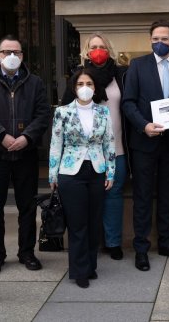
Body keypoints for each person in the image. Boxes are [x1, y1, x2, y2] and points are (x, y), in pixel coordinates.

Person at [0, 35, 51, 275]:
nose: (12, 56)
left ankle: (27, 252)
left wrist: (27, 138)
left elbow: (43, 114)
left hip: (26, 154)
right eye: (6, 52)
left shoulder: (34, 82)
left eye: (16, 52)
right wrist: (1, 135)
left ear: (23, 56)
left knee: (27, 206)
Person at [122, 19, 169, 271]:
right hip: (144, 142)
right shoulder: (137, 65)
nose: (160, 43)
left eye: (164, 39)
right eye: (155, 39)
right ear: (150, 40)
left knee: (168, 194)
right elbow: (128, 103)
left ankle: (166, 242)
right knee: (142, 196)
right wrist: (144, 126)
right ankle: (141, 248)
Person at [62, 33, 128, 260]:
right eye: (93, 47)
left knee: (114, 196)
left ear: (108, 51)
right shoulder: (79, 77)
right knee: (86, 198)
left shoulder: (121, 75)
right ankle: (90, 242)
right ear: (86, 52)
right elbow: (65, 110)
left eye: (102, 47)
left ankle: (113, 242)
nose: (97, 51)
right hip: (85, 153)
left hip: (117, 148)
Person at [49, 67, 116, 288]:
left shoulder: (103, 112)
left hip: (97, 171)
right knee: (77, 223)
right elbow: (56, 144)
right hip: (70, 173)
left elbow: (109, 143)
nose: (85, 88)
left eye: (89, 84)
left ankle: (91, 266)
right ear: (74, 88)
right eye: (80, 84)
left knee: (94, 222)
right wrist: (53, 174)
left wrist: (111, 172)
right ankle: (79, 270)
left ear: (95, 88)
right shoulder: (62, 112)